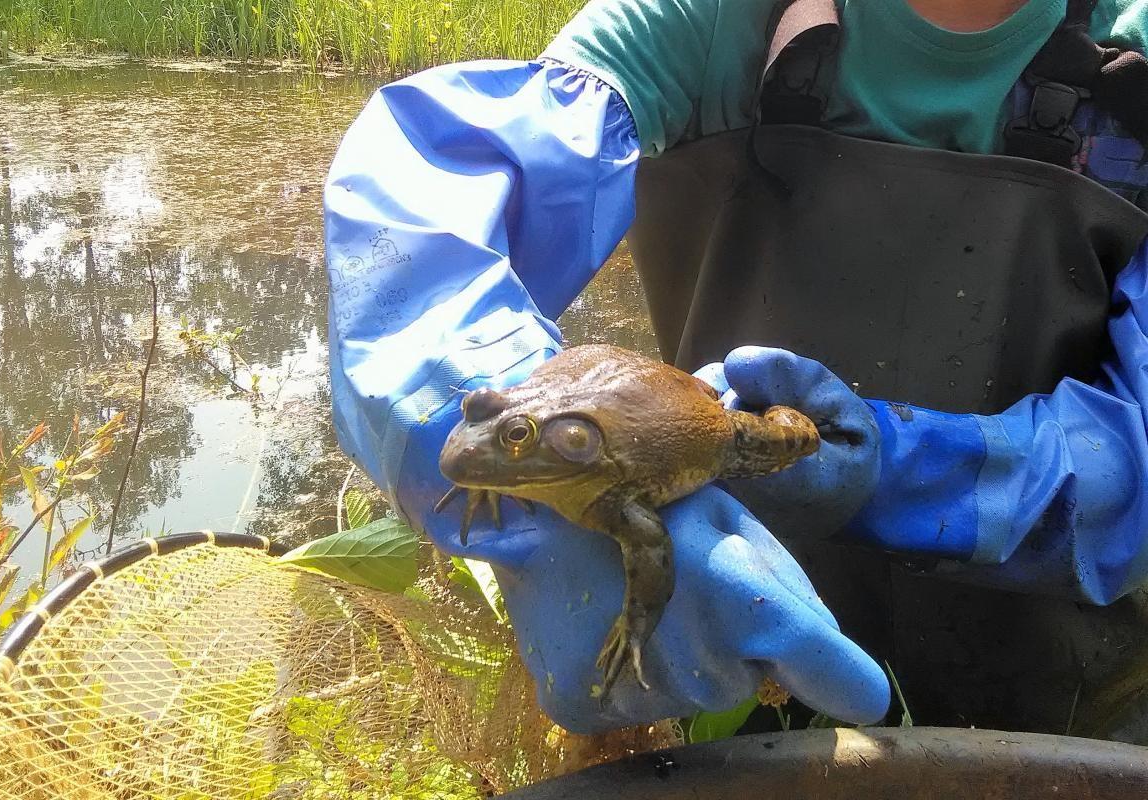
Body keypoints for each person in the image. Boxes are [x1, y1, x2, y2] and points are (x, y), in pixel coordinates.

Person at [323, 0, 1148, 739]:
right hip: (721, 655)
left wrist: (887, 471)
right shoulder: (712, 20)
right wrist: (453, 402)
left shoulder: (1133, 57)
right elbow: (424, 177)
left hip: (1068, 686)